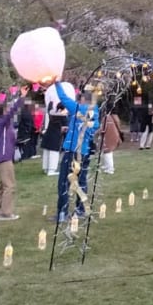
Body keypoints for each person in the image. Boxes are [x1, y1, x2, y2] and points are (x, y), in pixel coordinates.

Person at [52, 82, 97, 224]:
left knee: (64, 181)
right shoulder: (95, 111)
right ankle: (81, 209)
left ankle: (62, 213)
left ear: (85, 99)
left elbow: (64, 99)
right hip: (84, 151)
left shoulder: (78, 108)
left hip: (72, 151)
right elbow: (93, 127)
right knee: (82, 180)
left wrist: (56, 83)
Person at [0, 93, 24, 220]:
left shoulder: (6, 125)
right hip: (4, 159)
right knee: (10, 185)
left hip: (4, 157)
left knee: (1, 186)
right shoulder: (3, 123)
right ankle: (6, 213)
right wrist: (21, 98)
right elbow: (11, 113)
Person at [41, 96, 67, 176]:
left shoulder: (52, 114)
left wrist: (51, 101)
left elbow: (49, 109)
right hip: (55, 137)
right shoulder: (62, 116)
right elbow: (64, 127)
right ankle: (51, 170)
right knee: (53, 153)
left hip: (48, 135)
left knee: (46, 152)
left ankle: (46, 168)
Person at [99, 107, 122, 174]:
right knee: (107, 152)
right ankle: (106, 166)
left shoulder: (106, 118)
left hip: (109, 136)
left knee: (107, 152)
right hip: (114, 136)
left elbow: (103, 128)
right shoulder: (114, 117)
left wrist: (96, 132)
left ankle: (110, 169)